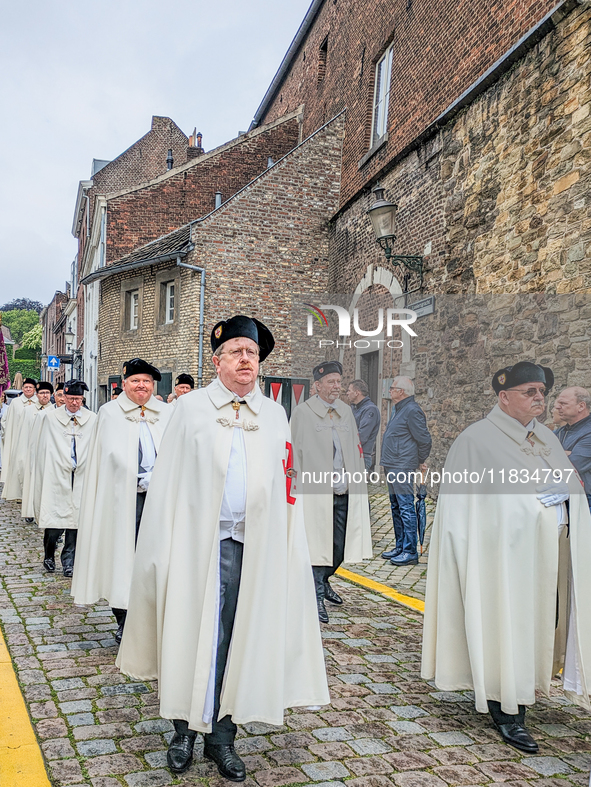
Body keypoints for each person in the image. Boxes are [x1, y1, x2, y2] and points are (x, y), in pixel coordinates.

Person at [116, 316, 329, 780]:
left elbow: (286, 484)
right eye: (235, 351)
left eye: (251, 353)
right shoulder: (190, 411)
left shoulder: (274, 415)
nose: (245, 360)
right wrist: (159, 552)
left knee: (237, 638)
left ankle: (222, 737)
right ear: (217, 361)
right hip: (196, 547)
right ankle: (182, 731)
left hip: (250, 549)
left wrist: (287, 543)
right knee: (189, 635)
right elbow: (169, 485)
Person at [421, 361, 591, 753]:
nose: (539, 399)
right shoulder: (477, 440)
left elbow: (569, 484)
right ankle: (507, 710)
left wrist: (567, 497)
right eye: (529, 392)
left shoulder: (546, 437)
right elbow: (476, 508)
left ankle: (526, 683)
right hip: (499, 558)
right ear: (503, 397)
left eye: (541, 392)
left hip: (545, 556)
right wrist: (532, 505)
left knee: (537, 623)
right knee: (505, 621)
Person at [72, 359, 172, 645]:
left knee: (156, 560)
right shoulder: (109, 414)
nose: (142, 386)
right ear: (124, 383)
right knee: (122, 559)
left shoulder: (165, 413)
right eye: (136, 381)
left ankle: (153, 620)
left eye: (147, 382)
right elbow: (105, 458)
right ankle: (124, 620)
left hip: (159, 501)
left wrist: (159, 476)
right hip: (122, 501)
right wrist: (133, 475)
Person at [291, 361, 372, 623]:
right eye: (331, 382)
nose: (336, 386)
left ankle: (324, 580)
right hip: (315, 491)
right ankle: (315, 596)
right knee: (317, 543)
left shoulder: (346, 413)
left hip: (343, 489)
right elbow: (294, 452)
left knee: (339, 545)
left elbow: (354, 448)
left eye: (339, 382)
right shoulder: (303, 413)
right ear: (318, 385)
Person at [34, 380, 96, 577]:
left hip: (81, 474)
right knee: (55, 519)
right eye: (70, 399)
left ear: (83, 399)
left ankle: (69, 561)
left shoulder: (92, 419)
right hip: (57, 473)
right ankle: (49, 554)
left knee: (76, 520)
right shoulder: (51, 418)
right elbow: (43, 445)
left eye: (78, 399)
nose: (74, 403)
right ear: (63, 398)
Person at [379, 376, 431, 566]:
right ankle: (400, 545)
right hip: (393, 463)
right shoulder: (399, 409)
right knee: (396, 506)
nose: (389, 391)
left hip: (402, 465)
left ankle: (410, 551)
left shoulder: (411, 410)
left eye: (392, 388)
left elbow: (424, 439)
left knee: (406, 507)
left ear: (401, 391)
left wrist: (418, 460)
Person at [21, 381, 55, 522]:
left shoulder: (54, 412)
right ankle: (30, 510)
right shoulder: (28, 410)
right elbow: (23, 432)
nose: (44, 395)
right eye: (42, 393)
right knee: (30, 480)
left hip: (47, 452)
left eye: (47, 393)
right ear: (37, 395)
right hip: (31, 450)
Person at [554, 386, 591, 512]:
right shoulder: (558, 432)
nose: (557, 407)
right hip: (563, 500)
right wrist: (565, 454)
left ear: (581, 406)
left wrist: (553, 455)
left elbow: (573, 466)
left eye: (563, 403)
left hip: (586, 502)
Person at [1, 377, 38, 501]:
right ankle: (17, 492)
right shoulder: (16, 403)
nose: (28, 389)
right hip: (18, 438)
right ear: (22, 389)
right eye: (26, 387)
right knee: (18, 463)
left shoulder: (38, 402)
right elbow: (7, 421)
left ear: (34, 389)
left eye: (30, 387)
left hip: (34, 438)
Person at [347, 379, 380, 471]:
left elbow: (362, 436)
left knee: (356, 485)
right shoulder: (354, 408)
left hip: (361, 456)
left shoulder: (370, 410)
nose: (347, 393)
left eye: (349, 390)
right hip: (350, 454)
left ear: (357, 392)